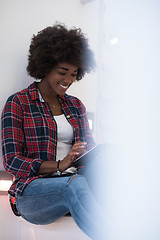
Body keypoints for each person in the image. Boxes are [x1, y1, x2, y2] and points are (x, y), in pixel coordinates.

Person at [1, 23, 105, 239]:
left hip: (75, 182)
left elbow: (89, 149)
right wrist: (59, 165)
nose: (68, 80)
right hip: (31, 191)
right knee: (74, 184)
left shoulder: (76, 105)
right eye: (62, 72)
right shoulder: (18, 103)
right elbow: (11, 161)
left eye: (74, 74)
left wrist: (90, 155)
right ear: (45, 66)